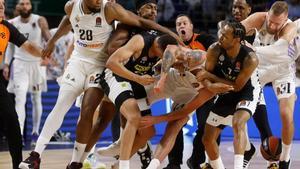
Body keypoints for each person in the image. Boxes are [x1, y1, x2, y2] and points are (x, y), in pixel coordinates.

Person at [19, 0, 180, 168]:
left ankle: (82, 161)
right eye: (149, 7)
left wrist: (174, 38)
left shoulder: (114, 11)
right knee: (71, 107)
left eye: (156, 8)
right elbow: (71, 19)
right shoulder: (76, 7)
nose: (99, 0)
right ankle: (41, 156)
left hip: (113, 71)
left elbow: (142, 24)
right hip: (93, 66)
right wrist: (53, 40)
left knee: (99, 114)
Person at [242, 1, 297, 168]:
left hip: (283, 71)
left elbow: (278, 50)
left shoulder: (291, 28)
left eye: (276, 23)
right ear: (267, 14)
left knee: (286, 115)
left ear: (285, 18)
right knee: (239, 108)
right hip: (259, 68)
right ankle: (246, 149)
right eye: (270, 21)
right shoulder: (259, 18)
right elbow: (237, 30)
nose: (272, 25)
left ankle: (285, 159)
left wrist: (252, 49)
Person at [200, 21, 260, 169]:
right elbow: (204, 76)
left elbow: (237, 86)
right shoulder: (214, 50)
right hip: (226, 93)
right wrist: (210, 85)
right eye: (221, 33)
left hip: (247, 92)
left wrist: (211, 78)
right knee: (207, 139)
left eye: (225, 36)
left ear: (237, 39)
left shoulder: (250, 58)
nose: (220, 38)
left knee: (238, 123)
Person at [164, 14, 216, 169]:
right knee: (174, 123)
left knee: (205, 126)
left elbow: (216, 52)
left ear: (191, 26)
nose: (181, 26)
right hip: (183, 90)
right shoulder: (173, 46)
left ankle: (196, 160)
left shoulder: (204, 40)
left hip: (203, 89)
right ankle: (174, 163)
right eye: (178, 24)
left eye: (184, 23)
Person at [0, 0, 45, 168]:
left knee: (12, 119)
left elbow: (27, 45)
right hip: (17, 68)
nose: (1, 6)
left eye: (3, 4)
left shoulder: (6, 27)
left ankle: (18, 164)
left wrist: (45, 53)